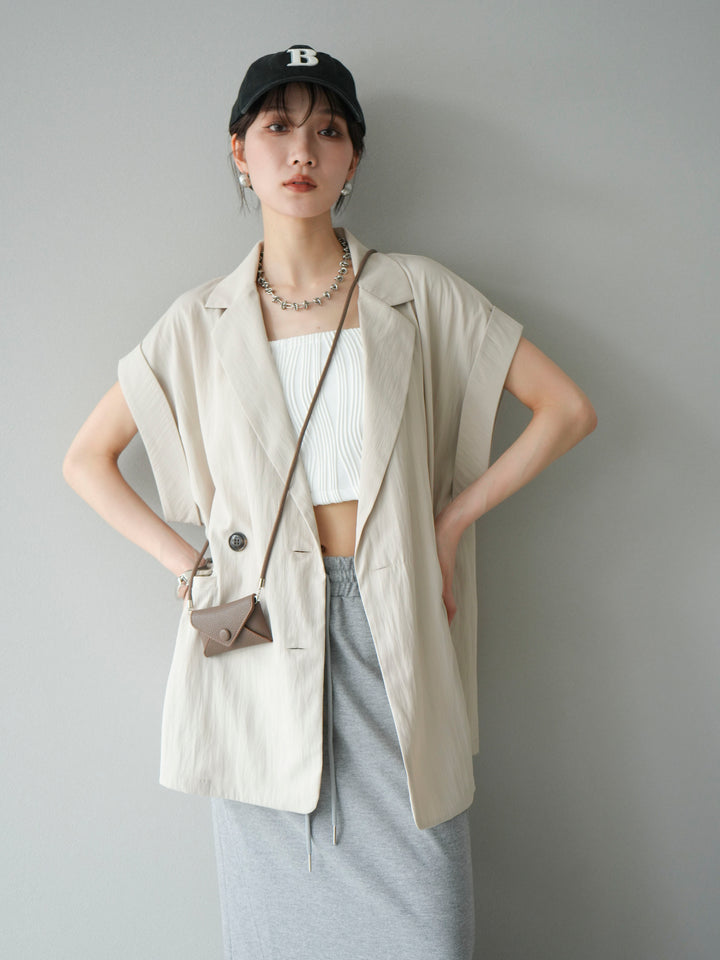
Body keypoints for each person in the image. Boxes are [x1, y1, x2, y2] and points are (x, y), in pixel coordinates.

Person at [63, 43, 597, 960]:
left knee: (430, 926)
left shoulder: (416, 293)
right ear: (240, 151)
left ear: (353, 159)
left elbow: (567, 410)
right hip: (261, 632)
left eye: (329, 130)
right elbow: (86, 460)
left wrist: (450, 523)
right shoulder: (200, 322)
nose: (302, 150)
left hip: (390, 616)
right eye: (277, 126)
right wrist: (191, 568)